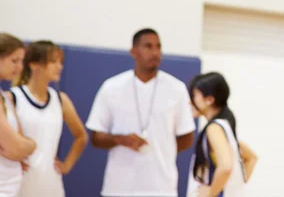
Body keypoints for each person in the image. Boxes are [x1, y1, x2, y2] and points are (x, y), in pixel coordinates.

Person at [86, 28, 196, 197]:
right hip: (119, 188)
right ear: (133, 51)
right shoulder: (111, 87)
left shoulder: (177, 89)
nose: (155, 52)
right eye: (148, 46)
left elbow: (187, 137)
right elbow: (96, 137)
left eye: (158, 47)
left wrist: (163, 148)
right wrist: (120, 139)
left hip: (162, 188)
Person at [11, 40, 88, 197]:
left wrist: (66, 165)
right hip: (20, 182)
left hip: (51, 184)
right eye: (53, 61)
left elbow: (81, 136)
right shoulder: (13, 97)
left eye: (61, 62)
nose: (59, 66)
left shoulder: (60, 100)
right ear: (34, 64)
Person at [187, 72, 257, 197]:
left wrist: (210, 194)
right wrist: (235, 188)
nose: (189, 101)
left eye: (194, 95)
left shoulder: (214, 128)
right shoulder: (224, 127)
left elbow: (226, 167)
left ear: (209, 99)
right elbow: (251, 158)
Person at [0, 33, 36, 197]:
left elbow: (21, 142)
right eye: (14, 61)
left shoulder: (5, 97)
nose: (20, 68)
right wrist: (31, 145)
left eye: (21, 61)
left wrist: (28, 145)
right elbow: (16, 147)